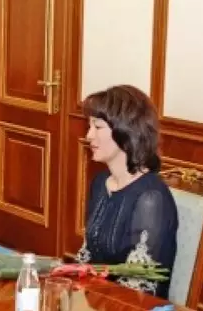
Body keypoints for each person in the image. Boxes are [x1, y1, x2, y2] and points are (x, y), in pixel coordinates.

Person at [76, 85, 178, 298]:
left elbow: (139, 286)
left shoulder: (150, 198)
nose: (88, 135)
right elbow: (88, 256)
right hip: (96, 302)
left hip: (134, 310)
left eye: (98, 127)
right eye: (89, 126)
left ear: (126, 130)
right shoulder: (100, 183)